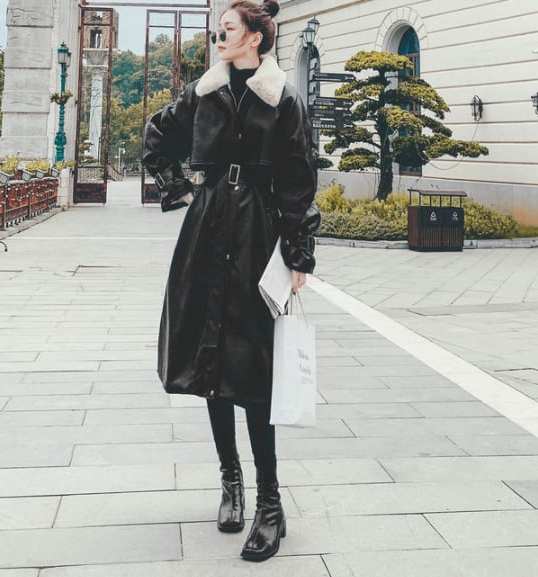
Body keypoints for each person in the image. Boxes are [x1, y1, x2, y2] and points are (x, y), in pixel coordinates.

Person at [143, 0, 319, 562]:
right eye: (217, 32)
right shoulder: (203, 93)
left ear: (255, 38)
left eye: (227, 31)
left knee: (253, 365)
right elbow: (156, 136)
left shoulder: (282, 97)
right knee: (210, 357)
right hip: (207, 227)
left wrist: (298, 254)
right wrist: (180, 190)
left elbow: (299, 177)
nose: (218, 39)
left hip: (258, 231)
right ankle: (231, 483)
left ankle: (270, 502)